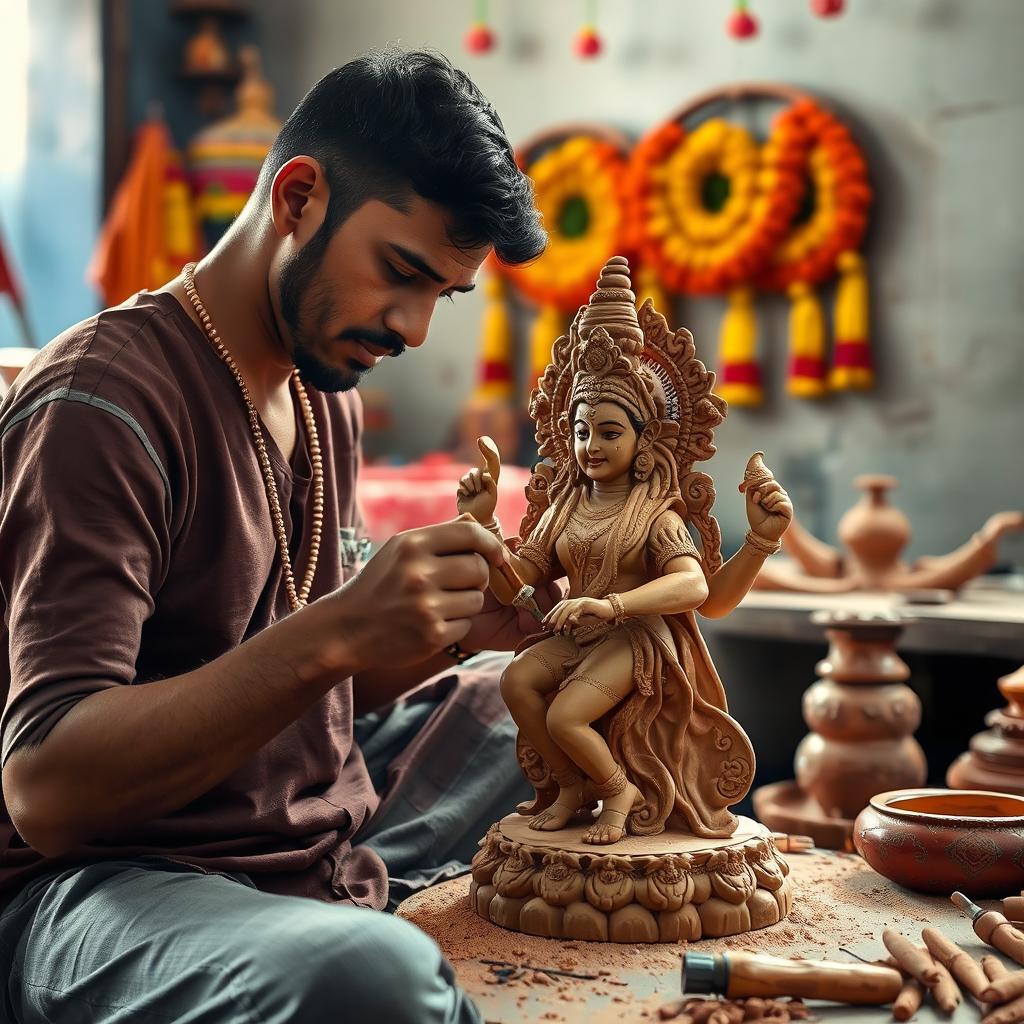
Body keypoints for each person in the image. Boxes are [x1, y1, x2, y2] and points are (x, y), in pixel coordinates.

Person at [0, 49, 549, 1024]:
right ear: (298, 196)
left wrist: (462, 629)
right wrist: (339, 627)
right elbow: (47, 788)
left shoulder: (317, 384)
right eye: (400, 273)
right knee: (369, 980)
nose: (414, 329)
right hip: (101, 884)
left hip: (291, 832)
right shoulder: (102, 402)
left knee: (547, 703)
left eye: (443, 296)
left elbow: (303, 680)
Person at [457, 257, 793, 847]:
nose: (590, 445)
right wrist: (479, 524)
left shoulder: (655, 513)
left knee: (565, 715)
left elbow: (694, 590)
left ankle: (618, 791)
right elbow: (517, 585)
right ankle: (570, 785)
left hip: (635, 639)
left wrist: (612, 607)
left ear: (643, 441)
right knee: (516, 682)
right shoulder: (565, 504)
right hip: (580, 635)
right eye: (582, 431)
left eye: (610, 432)